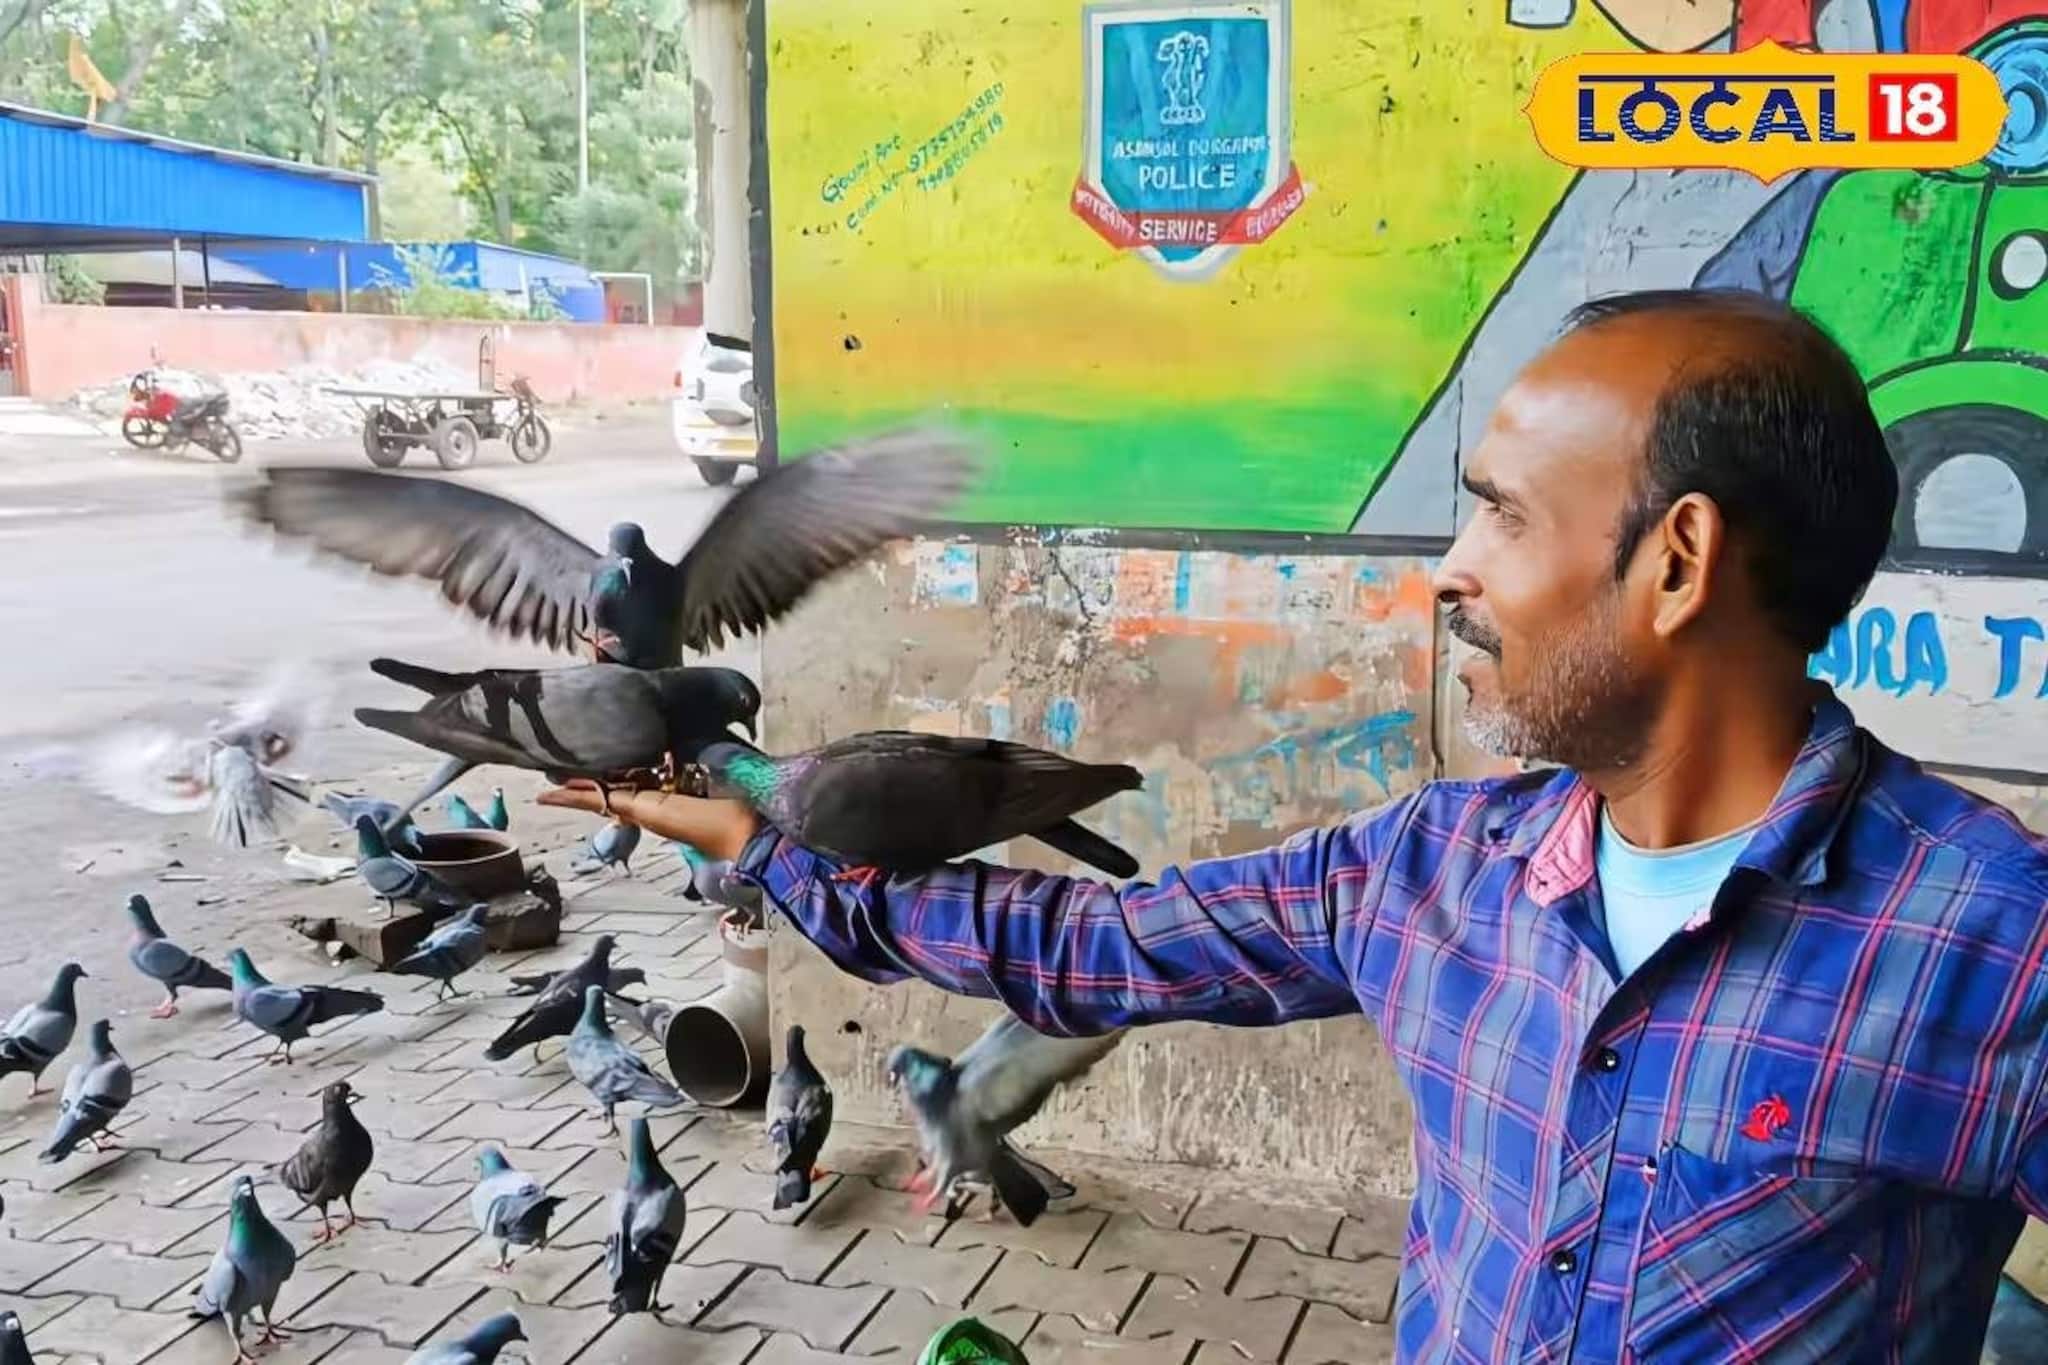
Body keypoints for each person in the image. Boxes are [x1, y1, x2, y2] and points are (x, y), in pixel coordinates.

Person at [541, 289, 2048, 1362]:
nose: (1448, 572)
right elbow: (1094, 944)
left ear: (1680, 561)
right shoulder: (1432, 868)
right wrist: (766, 850)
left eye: (1503, 515)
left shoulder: (1996, 951)